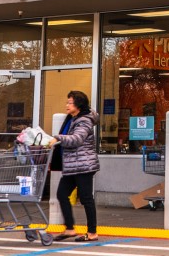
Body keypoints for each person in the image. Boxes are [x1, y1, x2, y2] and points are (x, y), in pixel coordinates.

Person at [46, 91, 100, 242]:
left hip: (83, 165)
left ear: (79, 105)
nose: (67, 105)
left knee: (86, 198)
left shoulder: (84, 121)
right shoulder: (72, 119)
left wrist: (57, 138)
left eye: (70, 102)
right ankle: (70, 229)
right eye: (67, 102)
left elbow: (77, 139)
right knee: (62, 194)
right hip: (72, 165)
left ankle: (92, 233)